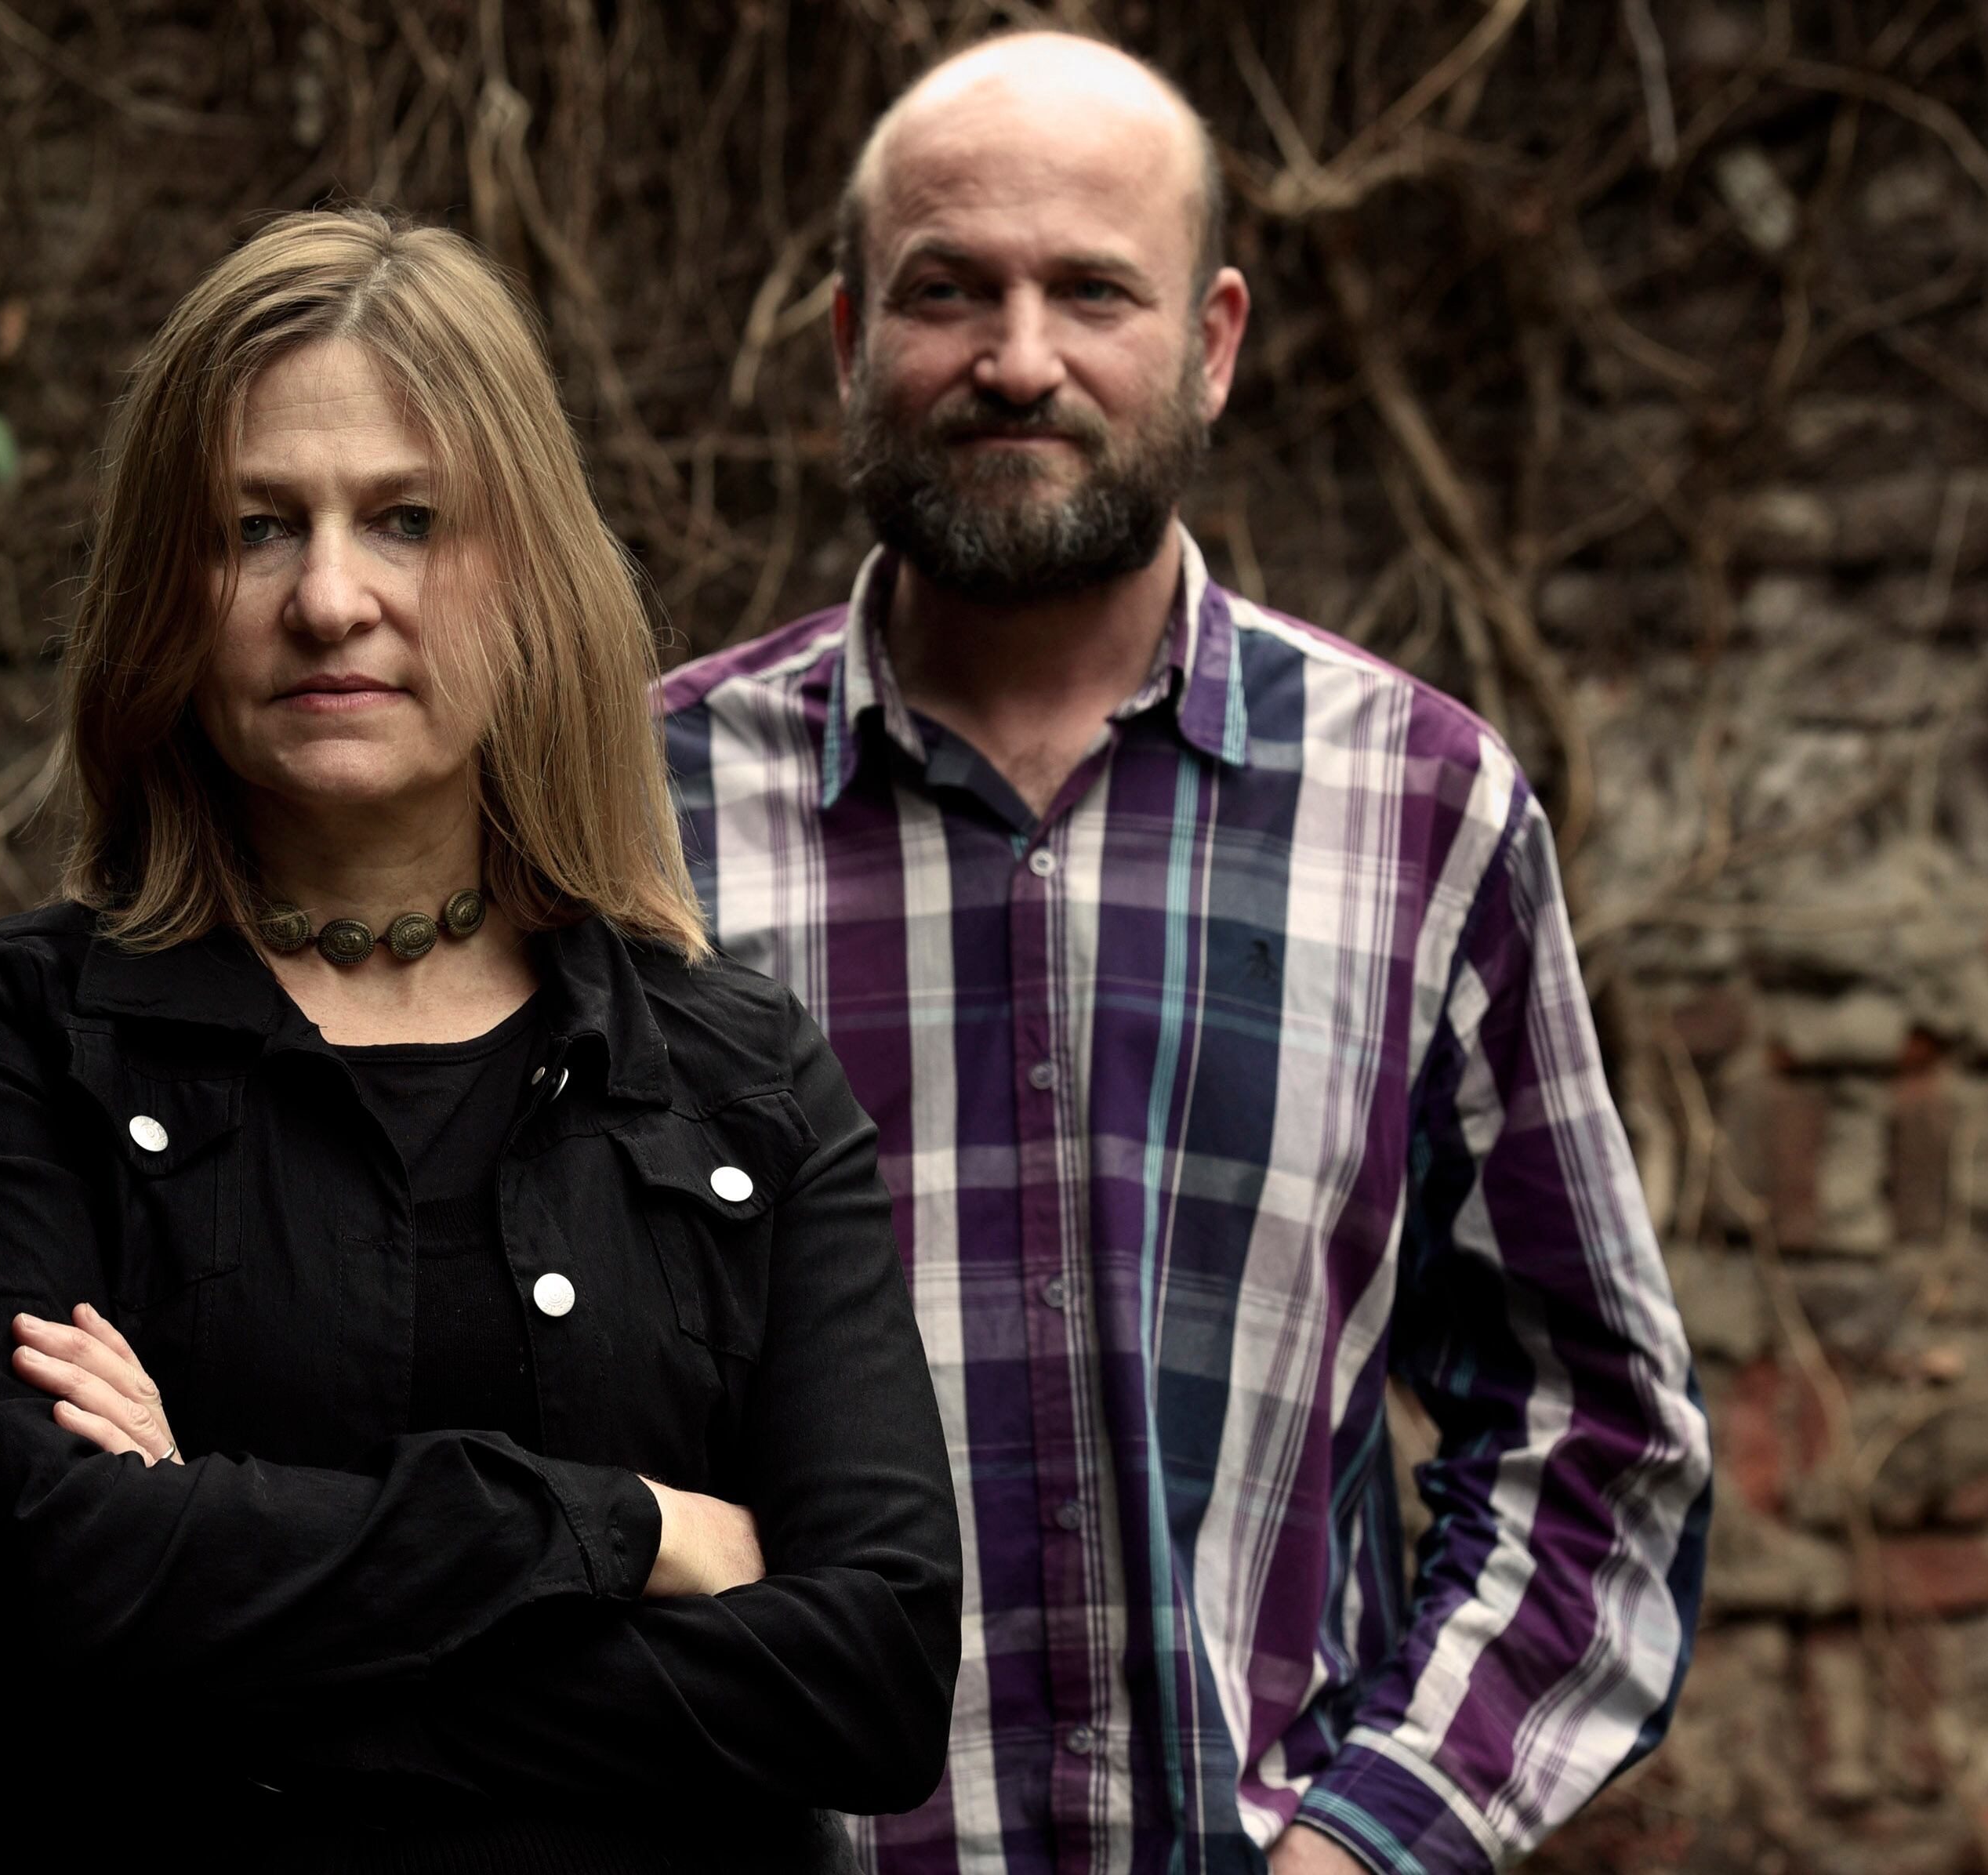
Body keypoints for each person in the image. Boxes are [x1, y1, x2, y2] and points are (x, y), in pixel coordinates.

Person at [658, 34, 1712, 1875]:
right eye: (945, 292)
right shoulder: (632, 829)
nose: (1016, 358)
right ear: (843, 338)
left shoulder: (1418, 807)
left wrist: (1371, 1835)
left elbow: (1591, 1435)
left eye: (1090, 291)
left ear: (1210, 341)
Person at [0, 206, 961, 1872]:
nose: (327, 597)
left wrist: (223, 1599)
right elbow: (64, 1582)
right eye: (253, 527)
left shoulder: (739, 1078)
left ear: (523, 571)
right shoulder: (16, 1045)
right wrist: (631, 1524)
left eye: (405, 519)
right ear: (169, 587)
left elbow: (870, 1683)